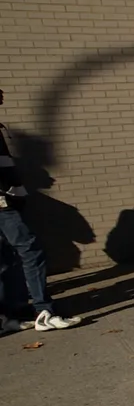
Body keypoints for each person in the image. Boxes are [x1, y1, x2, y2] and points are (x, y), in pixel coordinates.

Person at [0, 89, 81, 330]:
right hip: (3, 206)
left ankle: (11, 313)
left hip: (7, 203)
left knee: (6, 258)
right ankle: (43, 310)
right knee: (30, 252)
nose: (2, 96)